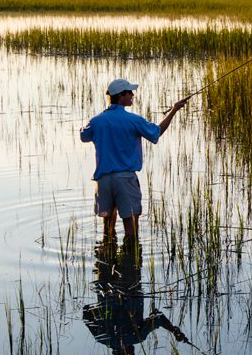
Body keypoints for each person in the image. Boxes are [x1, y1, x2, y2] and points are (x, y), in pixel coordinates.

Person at [80, 78, 190, 239]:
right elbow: (156, 132)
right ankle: (130, 260)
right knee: (131, 230)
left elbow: (83, 136)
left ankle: (107, 259)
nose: (132, 94)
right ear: (120, 96)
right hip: (125, 179)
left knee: (107, 230)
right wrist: (174, 110)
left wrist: (93, 122)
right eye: (129, 92)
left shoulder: (96, 121)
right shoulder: (134, 120)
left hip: (103, 180)